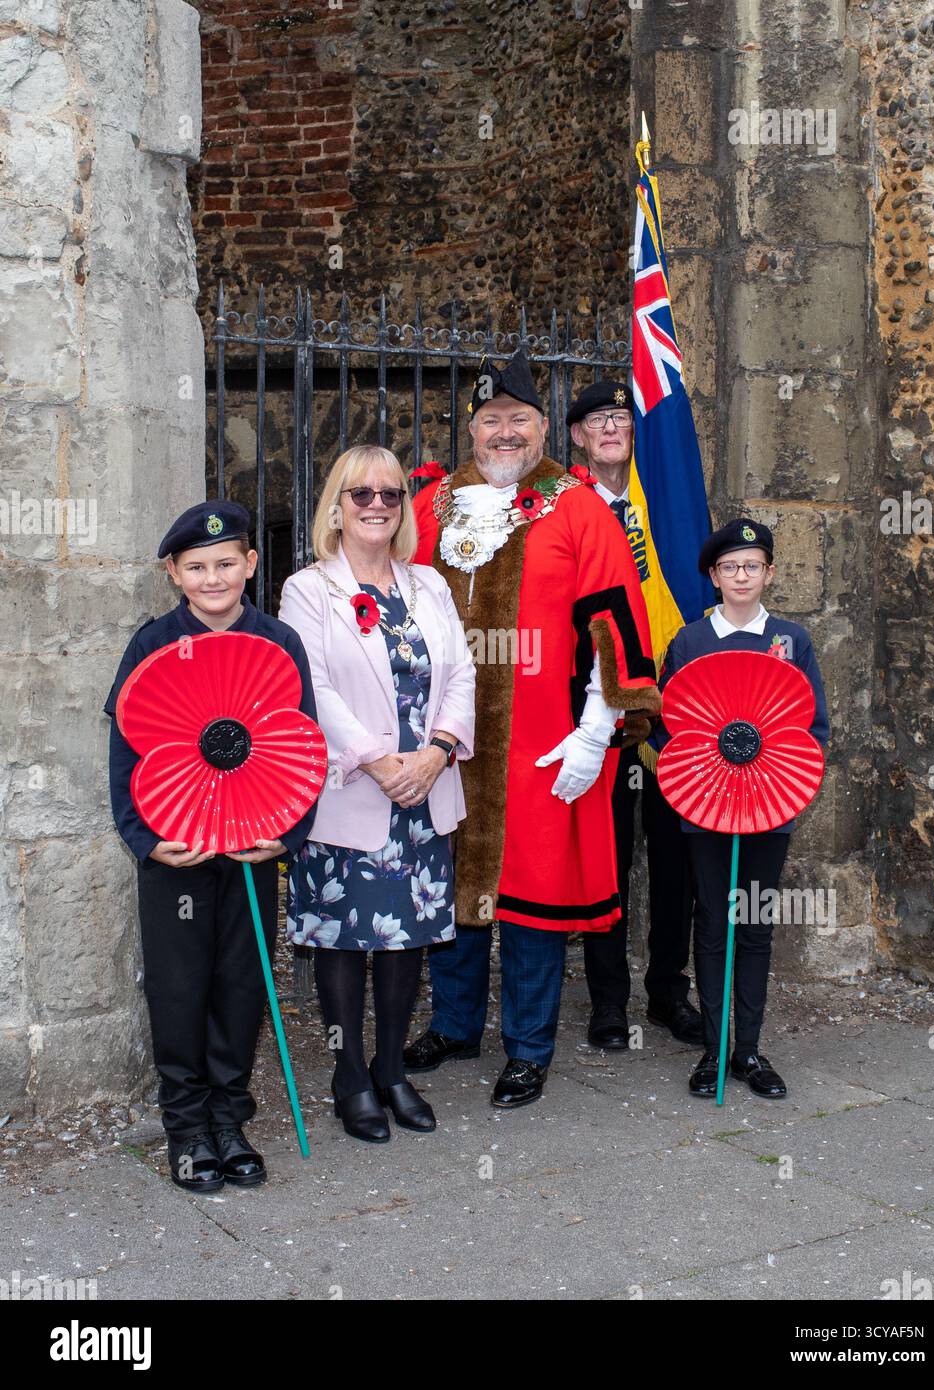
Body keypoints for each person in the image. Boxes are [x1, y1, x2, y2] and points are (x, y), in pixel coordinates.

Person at [404, 351, 658, 1109]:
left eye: (518, 420)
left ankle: (528, 1047)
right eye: (490, 421)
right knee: (449, 886)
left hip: (540, 740)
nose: (504, 433)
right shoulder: (430, 506)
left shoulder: (577, 509)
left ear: (545, 428)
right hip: (443, 744)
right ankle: (453, 1025)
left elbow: (612, 625)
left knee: (531, 897)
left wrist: (593, 732)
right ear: (471, 429)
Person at [105, 501, 318, 1193]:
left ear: (251, 565)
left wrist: (286, 835)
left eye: (226, 563)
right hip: (179, 850)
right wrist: (144, 839)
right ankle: (187, 1129)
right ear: (175, 574)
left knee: (240, 985)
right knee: (179, 988)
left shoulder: (279, 641)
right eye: (196, 567)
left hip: (252, 846)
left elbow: (302, 746)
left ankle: (231, 1121)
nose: (213, 577)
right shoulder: (152, 644)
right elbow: (123, 753)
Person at [278, 445, 475, 1143]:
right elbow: (312, 687)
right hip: (351, 792)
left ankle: (390, 1069)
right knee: (340, 941)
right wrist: (376, 759)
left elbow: (460, 674)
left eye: (390, 494)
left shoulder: (428, 586)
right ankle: (347, 1076)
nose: (376, 505)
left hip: (424, 789)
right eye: (360, 494)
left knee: (405, 939)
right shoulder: (308, 589)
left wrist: (438, 750)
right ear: (337, 505)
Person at [655, 518, 829, 1098]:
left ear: (770, 573)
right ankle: (714, 1048)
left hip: (769, 806)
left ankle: (749, 1050)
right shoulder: (690, 642)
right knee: (712, 921)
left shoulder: (791, 642)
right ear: (713, 576)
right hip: (705, 807)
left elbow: (813, 728)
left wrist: (787, 781)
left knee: (752, 923)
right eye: (730, 567)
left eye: (752, 565)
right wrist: (692, 776)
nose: (741, 575)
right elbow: (664, 728)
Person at [567, 380, 700, 1051]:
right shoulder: (564, 509)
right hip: (603, 713)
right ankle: (608, 1001)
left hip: (672, 708)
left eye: (622, 416)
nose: (613, 426)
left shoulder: (665, 508)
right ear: (577, 436)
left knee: (674, 863)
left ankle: (668, 993)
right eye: (598, 419)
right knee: (606, 863)